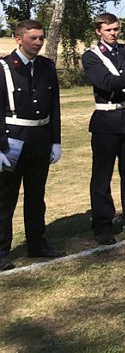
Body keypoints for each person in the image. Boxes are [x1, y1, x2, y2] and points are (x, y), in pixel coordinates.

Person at [81, 13, 125, 245]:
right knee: (102, 175)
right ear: (98, 32)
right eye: (109, 30)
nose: (114, 33)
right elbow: (106, 83)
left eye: (116, 29)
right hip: (105, 119)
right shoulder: (91, 57)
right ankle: (102, 224)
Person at [0, 20, 65, 271]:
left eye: (41, 38)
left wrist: (55, 141)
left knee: (36, 196)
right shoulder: (4, 68)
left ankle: (37, 243)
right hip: (12, 140)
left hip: (40, 139)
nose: (38, 43)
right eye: (33, 38)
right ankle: (2, 250)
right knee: (6, 199)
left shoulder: (47, 67)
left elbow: (54, 107)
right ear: (19, 39)